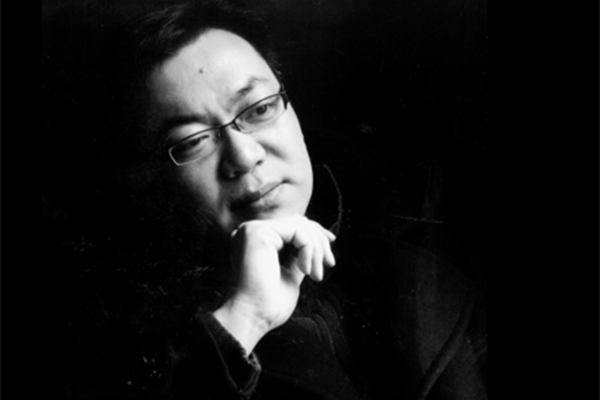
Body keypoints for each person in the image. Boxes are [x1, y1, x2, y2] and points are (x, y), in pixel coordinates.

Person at [46, 1, 487, 399]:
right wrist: (243, 321)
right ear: (145, 178)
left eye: (259, 109)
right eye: (194, 141)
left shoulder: (426, 274)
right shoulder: (97, 339)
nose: (243, 156)